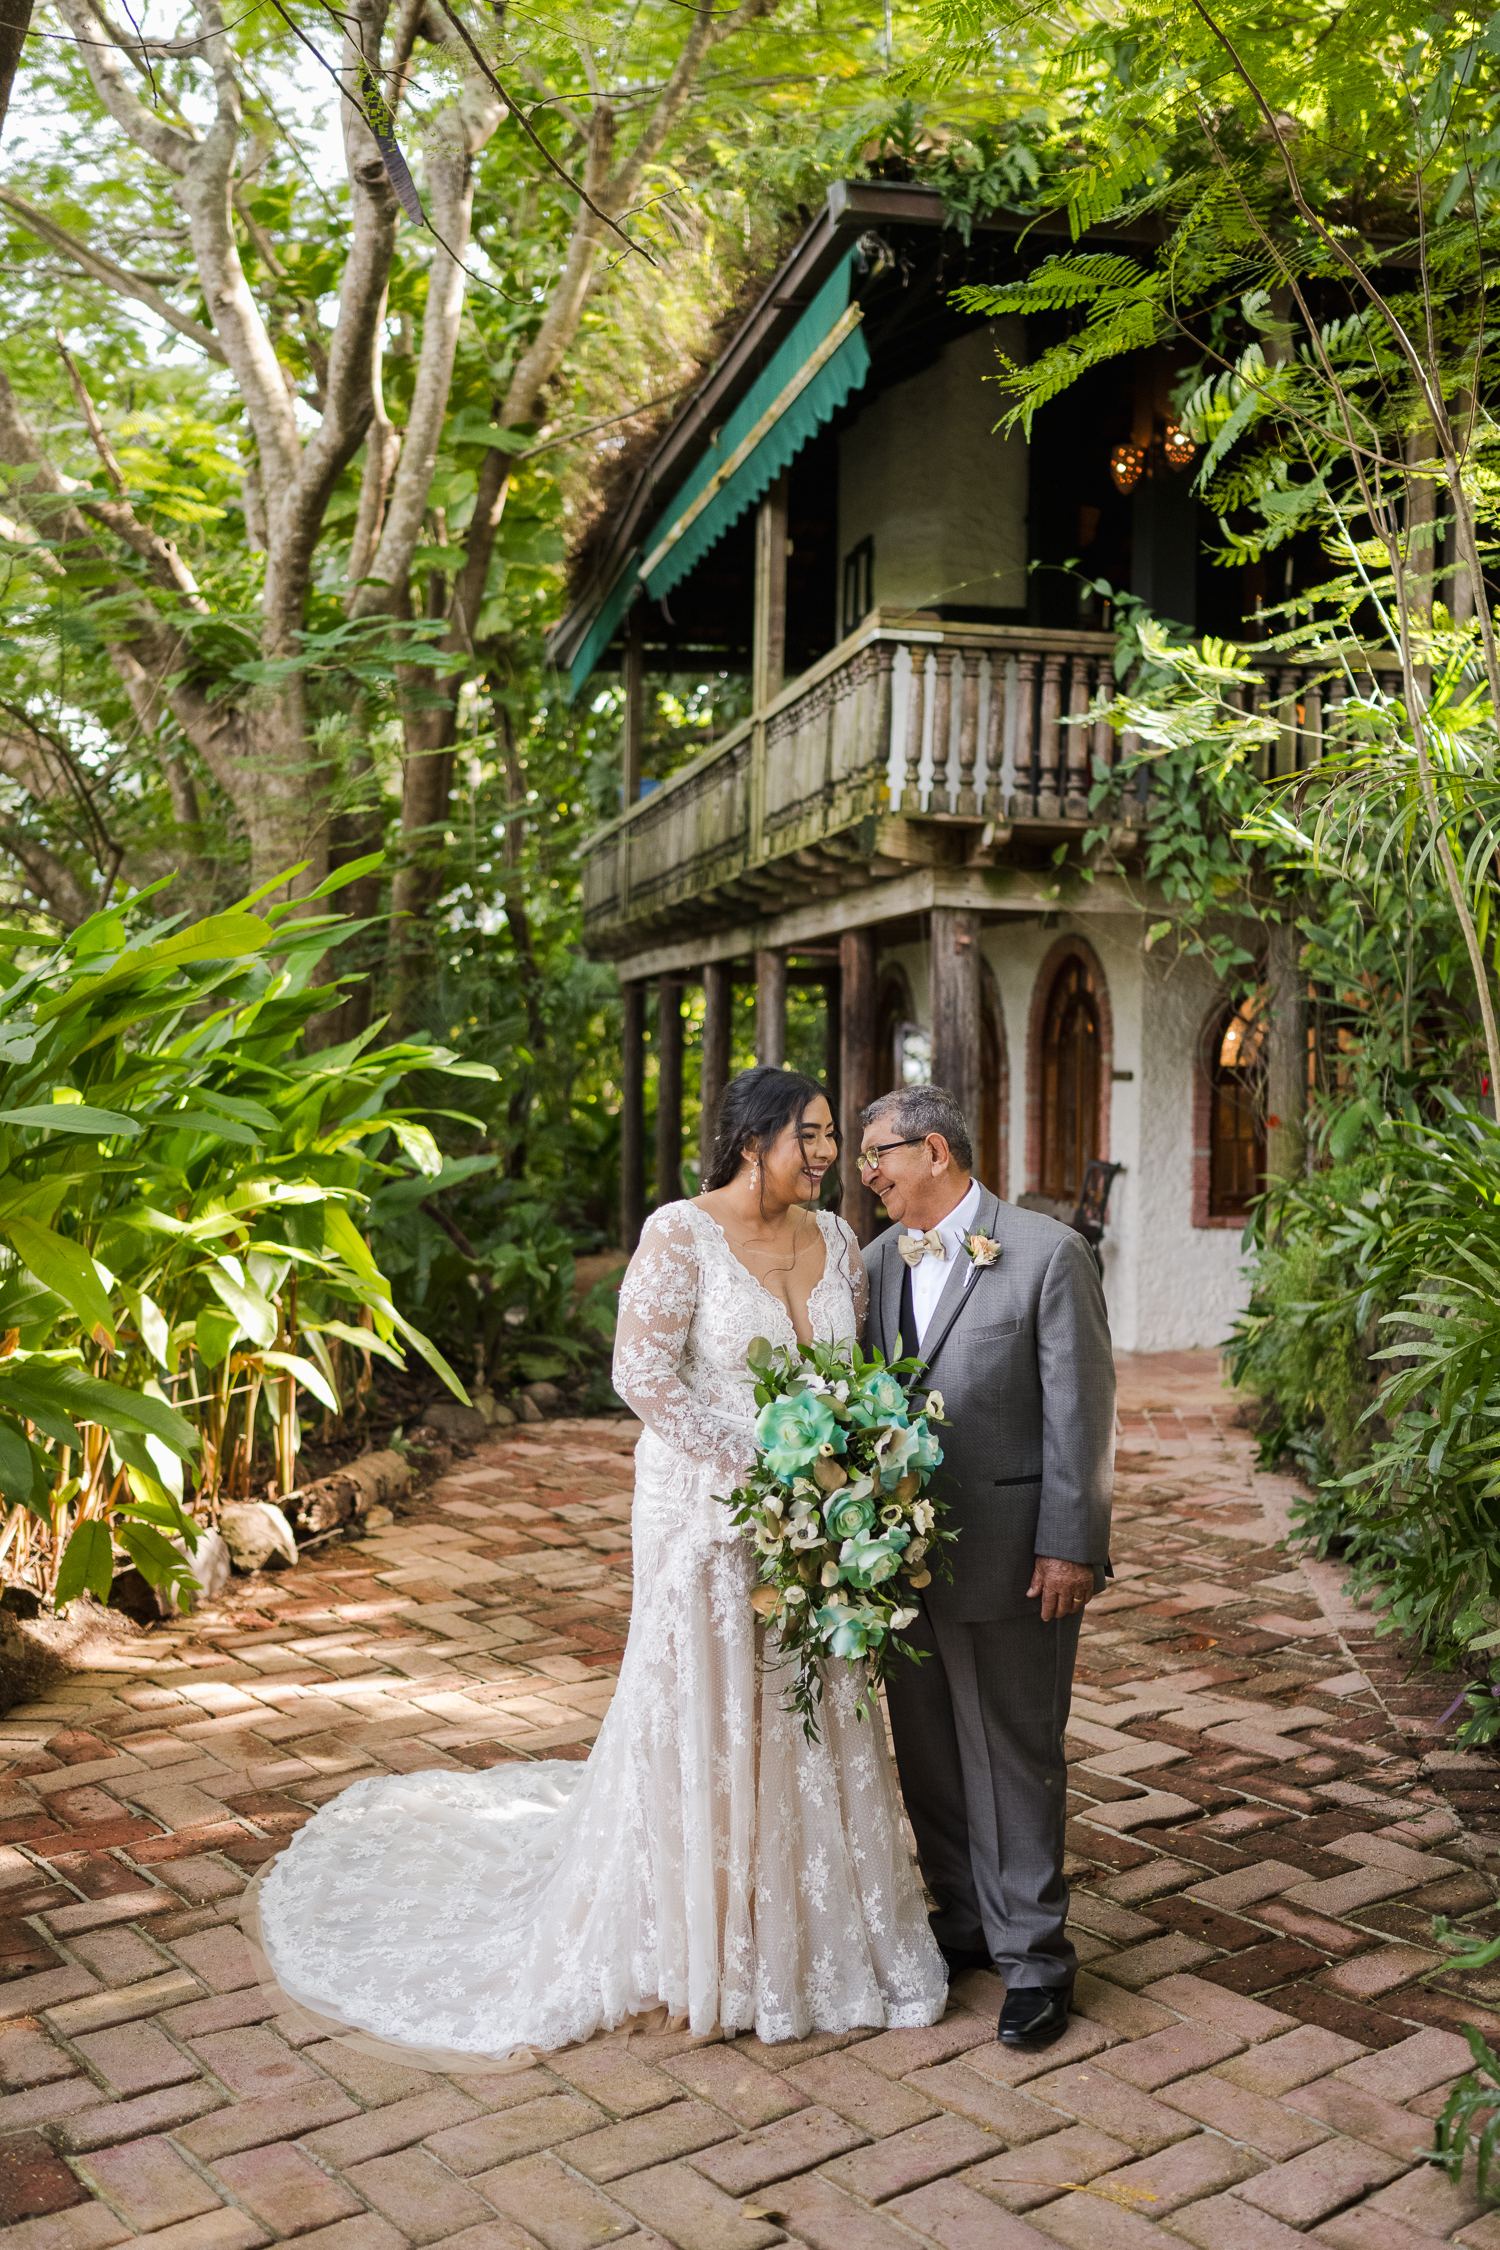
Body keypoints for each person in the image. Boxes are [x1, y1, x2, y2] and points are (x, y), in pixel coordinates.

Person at [250, 1067, 946, 2061]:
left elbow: (852, 1374)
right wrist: (759, 1458)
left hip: (818, 1511)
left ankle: (802, 1933)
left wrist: (854, 1457)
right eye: (813, 1134)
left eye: (833, 1135)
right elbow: (642, 1375)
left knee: (807, 1694)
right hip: (704, 1507)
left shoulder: (839, 1242)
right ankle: (695, 1946)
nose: (829, 1154)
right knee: (705, 1704)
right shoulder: (680, 1232)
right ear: (754, 1140)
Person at [860, 1083, 1114, 2048]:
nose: (869, 1175)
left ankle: (1037, 1960)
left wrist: (1070, 1543)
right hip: (901, 1560)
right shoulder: (881, 1262)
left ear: (933, 1151)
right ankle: (964, 1921)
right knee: (927, 1752)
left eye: (877, 1155)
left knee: (1013, 1753)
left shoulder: (1050, 1253)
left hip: (1017, 1558)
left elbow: (1082, 1414)